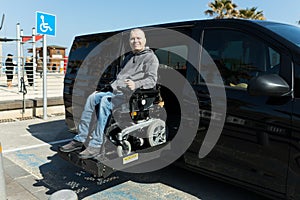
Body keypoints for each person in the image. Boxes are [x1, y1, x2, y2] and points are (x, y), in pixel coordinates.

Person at [60, 28, 159, 159]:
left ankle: (95, 145)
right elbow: (118, 80)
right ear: (129, 42)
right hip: (116, 92)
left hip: (132, 96)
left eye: (138, 38)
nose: (136, 41)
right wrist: (102, 91)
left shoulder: (150, 58)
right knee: (92, 97)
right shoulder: (129, 57)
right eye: (133, 39)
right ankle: (80, 138)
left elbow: (152, 80)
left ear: (144, 40)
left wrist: (136, 84)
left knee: (105, 101)